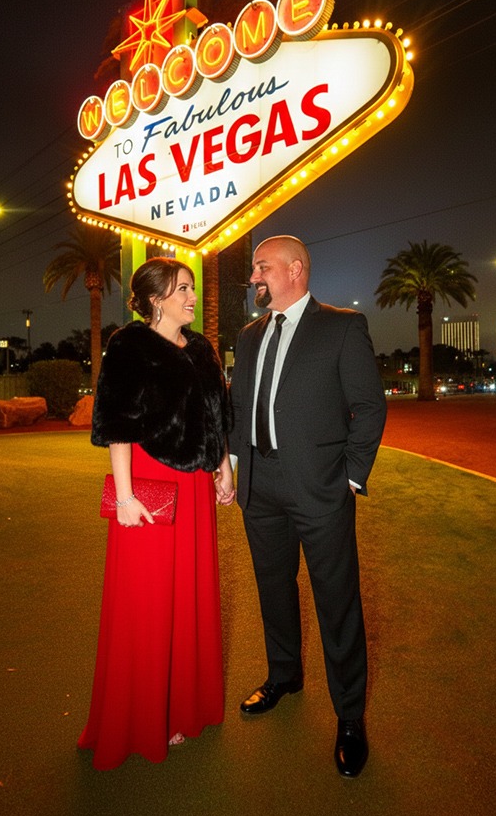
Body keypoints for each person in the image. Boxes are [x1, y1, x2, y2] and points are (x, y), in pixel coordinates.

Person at [228, 235, 386, 778]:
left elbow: (368, 409)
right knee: (274, 588)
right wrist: (231, 463)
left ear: (295, 270)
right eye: (254, 269)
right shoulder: (249, 337)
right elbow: (239, 407)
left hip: (320, 489)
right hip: (260, 486)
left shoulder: (342, 327)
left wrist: (350, 479)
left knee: (336, 602)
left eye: (262, 267)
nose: (254, 277)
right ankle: (284, 675)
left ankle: (349, 718)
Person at [78, 257, 235, 770]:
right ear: (154, 298)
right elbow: (117, 426)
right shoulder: (129, 344)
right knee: (146, 601)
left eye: (191, 287)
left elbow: (216, 417)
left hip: (194, 488)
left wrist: (222, 468)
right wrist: (124, 497)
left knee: (189, 594)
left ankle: (181, 709)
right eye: (183, 289)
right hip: (148, 487)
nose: (192, 297)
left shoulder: (203, 349)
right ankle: (144, 715)